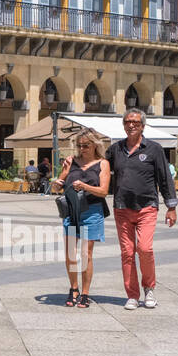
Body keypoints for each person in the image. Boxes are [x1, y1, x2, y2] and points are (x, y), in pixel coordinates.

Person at [98, 109, 177, 310]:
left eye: (135, 122)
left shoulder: (154, 149)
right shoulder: (115, 149)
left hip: (147, 207)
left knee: (144, 248)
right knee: (126, 252)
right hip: (122, 207)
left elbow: (164, 178)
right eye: (127, 122)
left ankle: (149, 289)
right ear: (123, 125)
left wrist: (171, 206)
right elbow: (99, 167)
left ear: (143, 125)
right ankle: (132, 294)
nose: (131, 125)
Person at [52, 129, 111, 309]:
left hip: (92, 211)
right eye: (79, 145)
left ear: (95, 145)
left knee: (86, 254)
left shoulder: (103, 164)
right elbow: (56, 187)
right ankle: (74, 288)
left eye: (86, 145)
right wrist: (56, 182)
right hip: (71, 211)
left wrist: (84, 186)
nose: (82, 148)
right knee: (70, 254)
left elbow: (103, 191)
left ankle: (85, 292)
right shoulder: (71, 162)